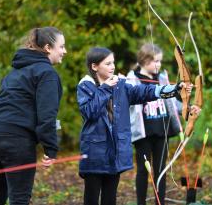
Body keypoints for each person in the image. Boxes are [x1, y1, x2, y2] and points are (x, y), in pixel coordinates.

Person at [76, 47, 193, 205]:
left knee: (110, 198)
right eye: (108, 63)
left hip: (114, 153)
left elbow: (145, 92)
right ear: (94, 66)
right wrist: (105, 88)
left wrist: (174, 89)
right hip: (94, 153)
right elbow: (90, 111)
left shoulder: (121, 86)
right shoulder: (85, 86)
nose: (113, 67)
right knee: (91, 198)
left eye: (113, 63)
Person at [0, 27, 67, 205]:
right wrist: (50, 149)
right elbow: (47, 115)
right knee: (19, 199)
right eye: (61, 47)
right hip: (16, 141)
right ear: (47, 48)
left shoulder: (14, 73)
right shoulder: (47, 73)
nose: (64, 51)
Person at [127, 43, 201, 205]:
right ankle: (141, 203)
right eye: (155, 61)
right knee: (142, 170)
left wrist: (188, 109)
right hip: (143, 133)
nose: (158, 65)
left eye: (160, 61)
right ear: (144, 60)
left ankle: (160, 202)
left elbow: (173, 103)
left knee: (161, 170)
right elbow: (128, 103)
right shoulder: (131, 79)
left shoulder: (161, 78)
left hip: (162, 130)